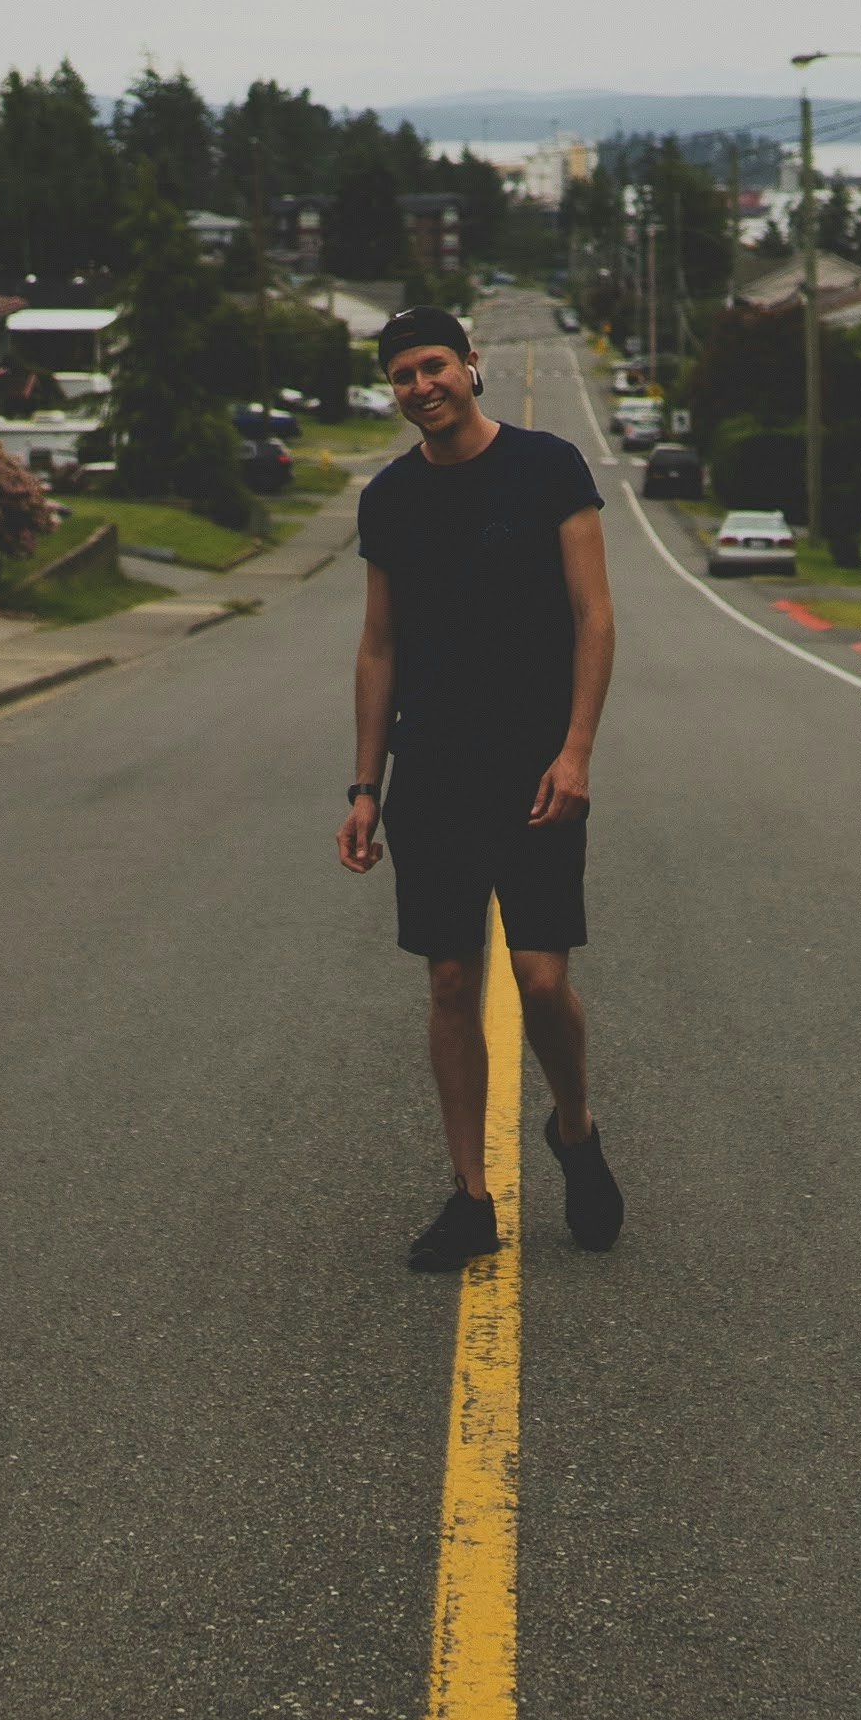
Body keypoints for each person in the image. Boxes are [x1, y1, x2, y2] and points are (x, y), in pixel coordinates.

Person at [335, 306, 626, 1269]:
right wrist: (364, 786)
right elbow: (377, 648)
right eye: (401, 375)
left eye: (433, 366)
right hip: (433, 776)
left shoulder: (548, 469)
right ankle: (471, 1197)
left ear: (470, 365)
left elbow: (593, 617)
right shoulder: (387, 499)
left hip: (536, 769)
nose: (420, 386)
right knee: (452, 978)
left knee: (542, 982)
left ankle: (573, 1129)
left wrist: (576, 749)